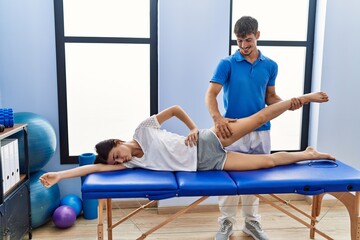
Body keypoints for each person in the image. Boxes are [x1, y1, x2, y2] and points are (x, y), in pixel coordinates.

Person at [40, 92, 334, 193]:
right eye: (115, 161)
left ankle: (303, 99)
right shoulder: (133, 161)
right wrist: (59, 175)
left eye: (116, 154)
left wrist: (193, 128)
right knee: (268, 161)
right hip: (209, 164)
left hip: (207, 140)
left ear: (118, 141)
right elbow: (91, 171)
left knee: (258, 118)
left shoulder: (142, 129)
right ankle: (308, 153)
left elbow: (176, 109)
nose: (119, 161)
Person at [205, 16, 303, 240]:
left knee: (257, 179)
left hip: (261, 132)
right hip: (233, 131)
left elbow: (270, 98)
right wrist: (217, 118)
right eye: (239, 41)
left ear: (257, 36)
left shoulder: (270, 66)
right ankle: (226, 224)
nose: (243, 46)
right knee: (228, 179)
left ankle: (251, 223)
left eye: (247, 40)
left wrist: (289, 104)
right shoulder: (227, 64)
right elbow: (211, 94)